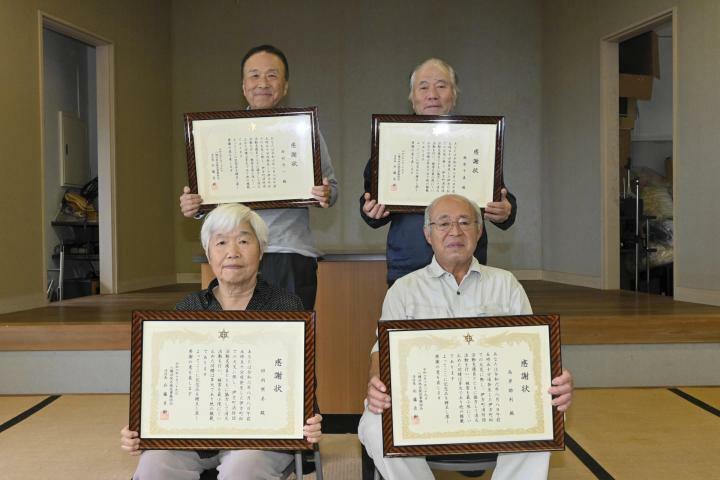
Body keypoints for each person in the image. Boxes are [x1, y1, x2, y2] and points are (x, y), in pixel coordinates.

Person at [358, 194, 573, 480]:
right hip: (426, 404)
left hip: (491, 403)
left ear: (479, 231)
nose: (455, 232)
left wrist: (554, 380)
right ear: (427, 234)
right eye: (443, 223)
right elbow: (380, 353)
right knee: (374, 423)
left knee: (547, 411)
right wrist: (376, 384)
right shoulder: (403, 289)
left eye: (464, 222)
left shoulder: (505, 284)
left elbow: (531, 354)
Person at [120, 204, 322, 479]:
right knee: (154, 464)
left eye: (243, 241)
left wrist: (307, 418)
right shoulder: (188, 308)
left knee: (244, 468)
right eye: (221, 242)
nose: (232, 252)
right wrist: (141, 426)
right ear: (208, 252)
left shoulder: (285, 306)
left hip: (260, 439)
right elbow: (163, 386)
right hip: (193, 437)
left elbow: (301, 384)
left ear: (261, 250)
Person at [180, 44, 338, 309]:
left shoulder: (303, 130)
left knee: (291, 338)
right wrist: (196, 205)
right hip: (233, 253)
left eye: (272, 75)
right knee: (241, 338)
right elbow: (206, 191)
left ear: (285, 86)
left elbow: (332, 188)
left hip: (288, 251)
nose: (262, 82)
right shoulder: (220, 134)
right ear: (243, 86)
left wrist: (326, 193)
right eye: (254, 75)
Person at [360, 58, 516, 285]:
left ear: (454, 95)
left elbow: (501, 198)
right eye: (423, 87)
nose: (432, 94)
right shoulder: (391, 144)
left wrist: (506, 210)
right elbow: (369, 203)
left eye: (441, 86)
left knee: (465, 322)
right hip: (409, 265)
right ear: (412, 98)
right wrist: (370, 211)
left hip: (466, 266)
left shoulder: (476, 141)